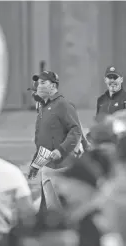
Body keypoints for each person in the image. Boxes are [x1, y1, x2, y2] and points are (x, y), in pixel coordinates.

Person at [28, 70, 82, 210]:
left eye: (43, 83)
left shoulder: (63, 105)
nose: (38, 86)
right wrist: (36, 164)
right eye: (37, 83)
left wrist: (61, 150)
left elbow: (75, 130)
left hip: (61, 168)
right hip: (47, 166)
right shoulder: (42, 107)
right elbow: (42, 139)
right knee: (50, 211)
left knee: (63, 211)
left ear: (53, 86)